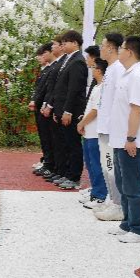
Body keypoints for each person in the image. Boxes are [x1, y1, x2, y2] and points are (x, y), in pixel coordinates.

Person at [107, 35, 140, 243]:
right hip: (120, 140)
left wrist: (131, 138)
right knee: (123, 184)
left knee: (134, 186)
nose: (119, 51)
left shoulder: (138, 76)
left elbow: (137, 109)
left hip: (132, 140)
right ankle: (127, 223)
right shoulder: (126, 74)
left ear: (130, 52)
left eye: (122, 48)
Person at [43, 30, 88, 190]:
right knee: (65, 143)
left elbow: (74, 89)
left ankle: (74, 176)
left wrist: (68, 111)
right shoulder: (69, 60)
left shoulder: (78, 61)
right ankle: (66, 173)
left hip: (72, 111)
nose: (63, 45)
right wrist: (58, 110)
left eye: (66, 42)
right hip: (62, 109)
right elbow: (60, 88)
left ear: (75, 43)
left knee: (73, 144)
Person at [92, 32, 126, 221]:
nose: (101, 49)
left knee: (111, 167)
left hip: (112, 128)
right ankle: (112, 199)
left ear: (112, 48)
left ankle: (118, 205)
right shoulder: (112, 69)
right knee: (106, 166)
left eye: (103, 45)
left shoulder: (119, 69)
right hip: (104, 126)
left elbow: (119, 101)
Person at [77, 57, 109, 208]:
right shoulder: (96, 87)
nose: (91, 70)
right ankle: (95, 190)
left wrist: (82, 122)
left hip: (95, 132)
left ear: (99, 70)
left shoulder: (103, 88)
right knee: (90, 164)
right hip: (89, 132)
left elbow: (96, 110)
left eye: (93, 67)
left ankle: (100, 195)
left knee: (97, 165)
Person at [38, 35, 65, 182]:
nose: (53, 47)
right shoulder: (55, 65)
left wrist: (49, 105)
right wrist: (44, 104)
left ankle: (59, 169)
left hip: (58, 108)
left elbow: (57, 89)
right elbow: (48, 89)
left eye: (55, 45)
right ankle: (51, 165)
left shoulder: (61, 64)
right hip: (49, 106)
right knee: (49, 139)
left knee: (58, 141)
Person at [31, 42, 56, 175]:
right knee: (44, 137)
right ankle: (47, 160)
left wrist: (45, 104)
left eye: (42, 54)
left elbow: (48, 90)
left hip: (47, 107)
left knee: (49, 138)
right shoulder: (45, 70)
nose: (39, 58)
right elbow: (39, 89)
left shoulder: (52, 68)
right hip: (41, 106)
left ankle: (50, 163)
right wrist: (34, 100)